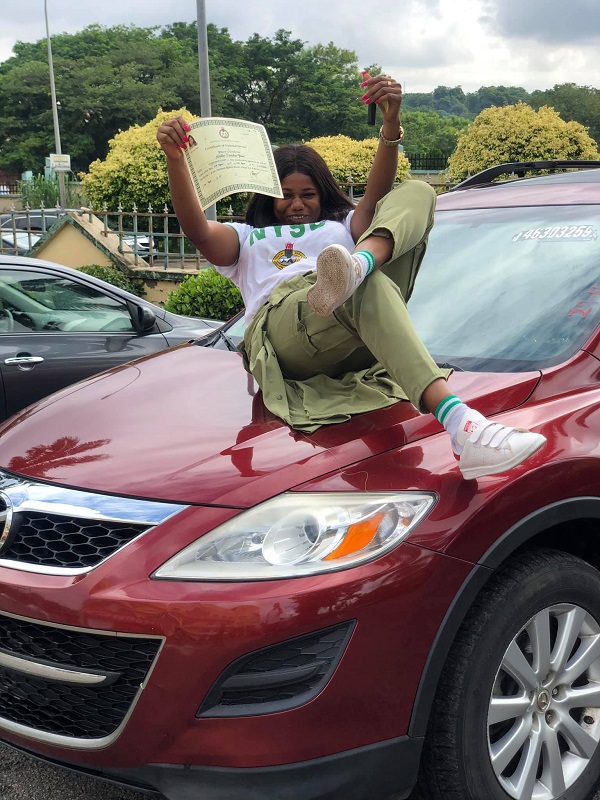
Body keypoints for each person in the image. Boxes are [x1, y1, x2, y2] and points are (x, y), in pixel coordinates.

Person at [157, 74, 546, 480]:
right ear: (269, 197)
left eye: (307, 194)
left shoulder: (343, 224)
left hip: (348, 309)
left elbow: (377, 195)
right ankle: (463, 425)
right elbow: (197, 229)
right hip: (285, 329)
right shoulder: (247, 238)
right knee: (360, 285)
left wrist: (391, 125)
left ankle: (358, 266)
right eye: (286, 195)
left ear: (322, 193)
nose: (296, 204)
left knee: (418, 192)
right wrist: (175, 159)